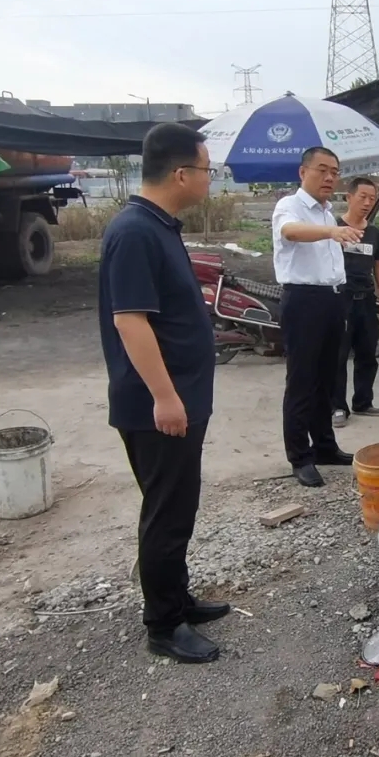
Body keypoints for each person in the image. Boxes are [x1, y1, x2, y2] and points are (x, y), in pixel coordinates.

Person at [98, 123, 226, 663]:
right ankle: (164, 625)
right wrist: (166, 397)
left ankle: (179, 598)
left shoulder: (159, 225)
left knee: (179, 505)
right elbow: (130, 322)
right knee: (167, 513)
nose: (209, 179)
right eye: (205, 170)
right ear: (181, 174)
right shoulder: (134, 231)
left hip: (180, 397)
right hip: (158, 405)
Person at [272, 147, 362, 488]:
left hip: (332, 300)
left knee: (328, 378)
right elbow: (290, 232)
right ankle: (300, 456)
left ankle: (325, 446)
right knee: (302, 381)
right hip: (303, 301)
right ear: (302, 172)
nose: (329, 177)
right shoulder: (289, 207)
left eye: (334, 172)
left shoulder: (327, 212)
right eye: (322, 170)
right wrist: (332, 233)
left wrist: (339, 234)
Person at [332, 177, 379, 428]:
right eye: (362, 197)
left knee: (368, 353)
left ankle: (363, 402)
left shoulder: (374, 234)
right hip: (340, 300)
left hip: (366, 300)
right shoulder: (334, 228)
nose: (367, 202)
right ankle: (337, 406)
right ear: (349, 197)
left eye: (372, 198)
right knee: (338, 356)